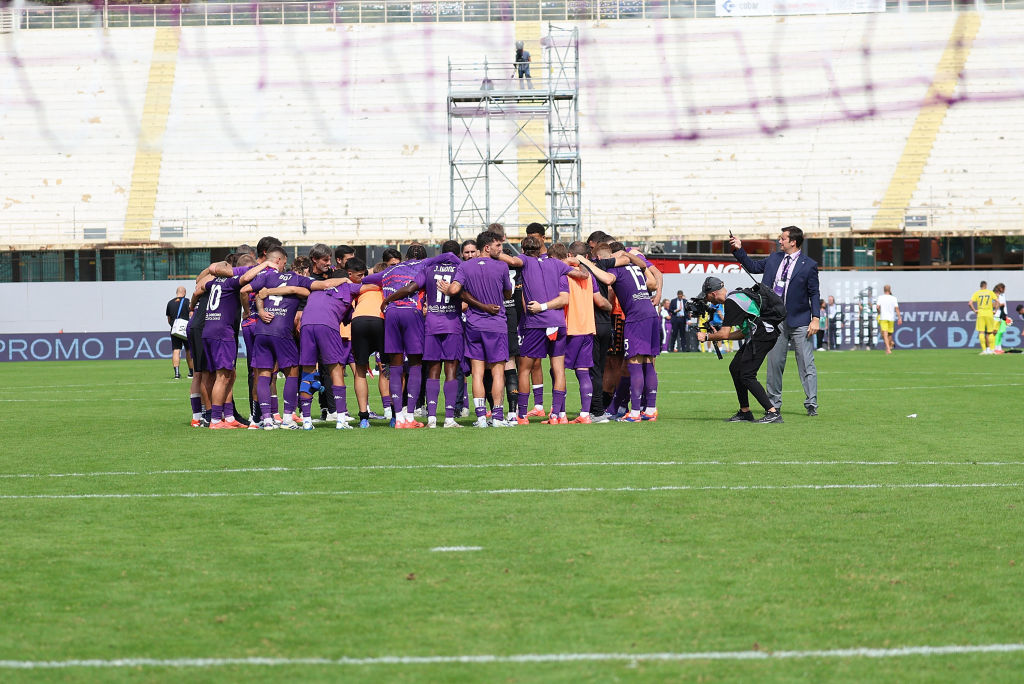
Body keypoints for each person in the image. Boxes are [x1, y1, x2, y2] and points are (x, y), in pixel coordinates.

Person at [730, 227, 820, 417]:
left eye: (782, 238)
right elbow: (753, 267)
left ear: (793, 242)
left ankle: (811, 403)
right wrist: (739, 249)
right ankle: (774, 403)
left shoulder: (809, 264)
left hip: (800, 321)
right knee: (774, 363)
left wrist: (816, 319)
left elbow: (814, 293)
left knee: (805, 363)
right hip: (773, 319)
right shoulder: (774, 258)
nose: (780, 241)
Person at [381, 241, 464, 428]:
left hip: (432, 324)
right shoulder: (461, 269)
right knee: (451, 370)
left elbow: (410, 288)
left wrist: (387, 300)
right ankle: (449, 418)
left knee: (432, 370)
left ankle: (432, 418)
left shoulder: (428, 270)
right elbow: (465, 294)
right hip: (452, 323)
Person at [447, 231, 513, 428]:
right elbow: (508, 293)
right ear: (487, 247)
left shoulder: (465, 266)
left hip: (474, 325)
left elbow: (455, 290)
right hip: (496, 325)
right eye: (498, 246)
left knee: (477, 372)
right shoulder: (501, 266)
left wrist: (449, 289)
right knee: (497, 372)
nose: (500, 250)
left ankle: (481, 418)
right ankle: (498, 417)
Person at [243, 246, 314, 430]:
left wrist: (258, 310)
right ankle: (288, 419)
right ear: (281, 261)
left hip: (261, 330)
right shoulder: (299, 279)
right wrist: (292, 290)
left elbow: (246, 289)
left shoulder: (267, 277)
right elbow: (309, 292)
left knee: (264, 374)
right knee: (292, 372)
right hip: (282, 330)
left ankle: (267, 420)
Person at [697, 276, 783, 423]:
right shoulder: (736, 297)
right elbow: (742, 332)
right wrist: (717, 336)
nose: (709, 301)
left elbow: (723, 333)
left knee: (747, 374)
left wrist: (707, 337)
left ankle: (772, 412)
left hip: (764, 335)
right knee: (735, 368)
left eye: (707, 297)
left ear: (713, 293)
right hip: (761, 334)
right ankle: (745, 412)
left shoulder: (731, 302)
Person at [362, 244, 429, 428]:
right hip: (411, 312)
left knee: (395, 365)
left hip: (391, 315)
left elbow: (365, 278)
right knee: (415, 363)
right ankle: (409, 417)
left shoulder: (389, 271)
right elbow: (450, 256)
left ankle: (398, 417)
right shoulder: (425, 265)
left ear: (406, 257)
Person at [166, 286, 193, 380]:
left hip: (175, 329)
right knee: (189, 350)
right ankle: (191, 373)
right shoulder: (187, 301)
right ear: (184, 292)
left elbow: (169, 319)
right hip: (186, 329)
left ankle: (177, 374)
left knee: (176, 350)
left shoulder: (170, 302)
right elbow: (192, 315)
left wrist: (174, 326)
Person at [969, 280, 999, 355]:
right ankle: (992, 350)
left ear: (980, 286)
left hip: (981, 314)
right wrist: (995, 310)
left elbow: (970, 303)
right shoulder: (990, 292)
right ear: (986, 285)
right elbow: (997, 302)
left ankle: (985, 350)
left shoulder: (977, 293)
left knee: (981, 332)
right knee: (990, 332)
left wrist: (974, 310)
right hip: (989, 313)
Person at [875, 285, 902, 354]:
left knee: (885, 334)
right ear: (890, 290)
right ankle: (889, 346)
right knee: (889, 334)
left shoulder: (880, 297)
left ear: (884, 290)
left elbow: (877, 307)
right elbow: (897, 308)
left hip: (883, 317)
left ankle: (888, 349)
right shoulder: (893, 298)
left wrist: (879, 312)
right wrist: (899, 318)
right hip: (891, 318)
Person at [993, 283, 1011, 354]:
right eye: (1004, 288)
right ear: (1001, 288)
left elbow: (1004, 306)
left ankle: (999, 348)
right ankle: (995, 348)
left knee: (1000, 333)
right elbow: (993, 304)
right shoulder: (995, 295)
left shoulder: (1003, 295)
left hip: (1003, 315)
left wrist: (1006, 315)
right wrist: (1000, 304)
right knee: (996, 332)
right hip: (997, 315)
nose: (1005, 290)